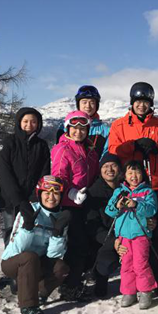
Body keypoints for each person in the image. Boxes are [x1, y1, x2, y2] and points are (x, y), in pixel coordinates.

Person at [108, 82, 158, 292]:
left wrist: (156, 148)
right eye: (138, 102)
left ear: (150, 103)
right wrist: (133, 146)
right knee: (131, 231)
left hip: (153, 184)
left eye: (145, 102)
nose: (142, 106)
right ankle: (131, 279)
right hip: (129, 186)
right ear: (132, 103)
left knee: (154, 229)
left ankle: (156, 276)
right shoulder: (119, 125)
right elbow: (113, 150)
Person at [1, 175, 71, 314]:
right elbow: (16, 249)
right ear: (40, 194)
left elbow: (53, 255)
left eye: (56, 193)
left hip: (38, 263)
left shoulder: (61, 217)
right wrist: (28, 227)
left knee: (61, 268)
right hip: (13, 261)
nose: (51, 197)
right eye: (47, 193)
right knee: (29, 257)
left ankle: (38, 291)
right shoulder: (29, 211)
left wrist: (57, 234)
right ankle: (28, 306)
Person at [50, 110, 99, 300]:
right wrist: (70, 192)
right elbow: (59, 175)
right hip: (69, 205)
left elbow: (94, 175)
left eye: (82, 128)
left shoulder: (90, 151)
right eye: (75, 128)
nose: (78, 132)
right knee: (76, 245)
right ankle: (69, 286)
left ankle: (79, 280)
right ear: (67, 128)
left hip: (86, 202)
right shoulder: (63, 149)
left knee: (87, 243)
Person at [0, 107, 51, 249]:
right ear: (19, 122)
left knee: (32, 230)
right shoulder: (8, 142)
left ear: (38, 124)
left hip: (33, 198)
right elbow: (4, 173)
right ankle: (10, 263)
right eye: (25, 121)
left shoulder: (41, 145)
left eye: (33, 122)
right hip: (10, 199)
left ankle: (28, 264)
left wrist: (34, 197)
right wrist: (19, 200)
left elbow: (44, 173)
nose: (29, 125)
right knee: (11, 230)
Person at [104, 160, 158, 309]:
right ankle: (129, 292)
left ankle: (145, 290)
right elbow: (109, 210)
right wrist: (117, 205)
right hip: (123, 234)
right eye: (130, 172)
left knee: (140, 264)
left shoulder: (148, 192)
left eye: (137, 172)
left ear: (143, 174)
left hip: (140, 233)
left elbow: (152, 209)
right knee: (126, 264)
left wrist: (137, 205)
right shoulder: (119, 191)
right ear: (125, 175)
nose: (133, 176)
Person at [85, 153, 124, 298]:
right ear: (100, 170)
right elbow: (92, 226)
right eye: (105, 166)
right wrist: (112, 241)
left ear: (119, 169)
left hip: (125, 236)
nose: (110, 169)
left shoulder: (126, 190)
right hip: (103, 240)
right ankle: (99, 278)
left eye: (113, 165)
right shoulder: (94, 193)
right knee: (106, 263)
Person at [55, 85, 110, 157]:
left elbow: (106, 154)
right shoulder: (66, 126)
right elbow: (59, 152)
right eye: (84, 102)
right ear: (78, 104)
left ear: (97, 105)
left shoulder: (105, 130)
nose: (88, 106)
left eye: (92, 102)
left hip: (95, 167)